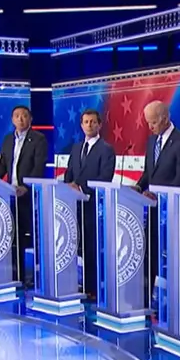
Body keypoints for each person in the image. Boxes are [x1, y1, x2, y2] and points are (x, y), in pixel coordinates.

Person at [133, 101, 180, 298]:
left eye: (153, 122)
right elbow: (148, 173)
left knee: (171, 256)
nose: (150, 127)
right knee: (149, 253)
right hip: (152, 210)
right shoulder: (152, 141)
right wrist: (138, 187)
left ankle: (173, 298)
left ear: (165, 119)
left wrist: (160, 196)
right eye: (148, 122)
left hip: (170, 211)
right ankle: (145, 296)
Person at [0, 105, 48, 287]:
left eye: (24, 116)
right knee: (11, 235)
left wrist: (25, 187)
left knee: (28, 235)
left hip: (28, 195)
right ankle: (15, 275)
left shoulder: (38, 139)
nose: (21, 119)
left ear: (30, 119)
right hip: (9, 195)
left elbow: (38, 167)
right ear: (12, 120)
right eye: (17, 116)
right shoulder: (8, 140)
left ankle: (34, 276)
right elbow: (3, 165)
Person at [62, 109, 116, 299]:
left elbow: (105, 177)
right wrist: (68, 186)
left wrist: (81, 188)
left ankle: (91, 287)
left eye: (93, 122)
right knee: (74, 245)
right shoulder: (76, 148)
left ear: (99, 125)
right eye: (86, 122)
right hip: (73, 206)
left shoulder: (106, 149)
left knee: (91, 247)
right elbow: (69, 173)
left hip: (93, 206)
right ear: (81, 125)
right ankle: (75, 283)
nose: (89, 125)